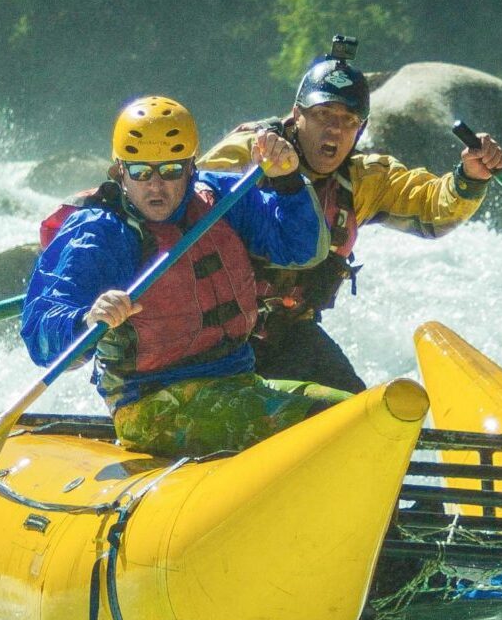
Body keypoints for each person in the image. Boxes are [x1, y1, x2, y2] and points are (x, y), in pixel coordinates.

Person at [21, 95, 345, 458]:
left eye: (171, 171)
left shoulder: (219, 199)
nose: (156, 187)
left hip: (237, 382)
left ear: (192, 168)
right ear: (119, 171)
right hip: (152, 406)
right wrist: (87, 319)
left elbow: (303, 249)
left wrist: (287, 181)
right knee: (327, 422)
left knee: (354, 413)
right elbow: (41, 335)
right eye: (141, 172)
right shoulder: (100, 233)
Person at [200, 37, 502, 392]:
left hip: (290, 335)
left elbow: (433, 208)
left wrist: (470, 177)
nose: (334, 129)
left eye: (348, 120)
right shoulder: (246, 154)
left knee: (359, 410)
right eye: (322, 115)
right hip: (217, 339)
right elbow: (183, 205)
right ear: (297, 115)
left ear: (360, 129)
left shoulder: (362, 180)